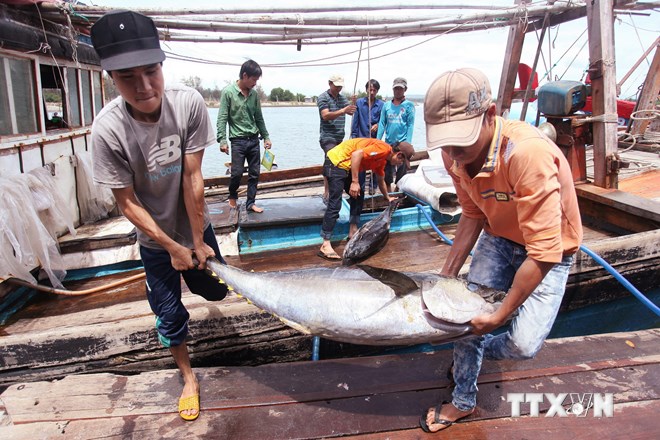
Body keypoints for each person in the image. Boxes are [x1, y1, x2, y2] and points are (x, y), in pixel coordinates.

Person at [420, 68, 583, 433]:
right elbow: (473, 213)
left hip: (550, 249)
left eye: (460, 141)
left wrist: (497, 317)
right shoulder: (454, 157)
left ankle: (478, 349)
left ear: (490, 115)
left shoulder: (526, 154)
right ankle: (463, 400)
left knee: (523, 345)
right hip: (498, 237)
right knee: (463, 323)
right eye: (445, 143)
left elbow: (542, 253)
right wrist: (446, 277)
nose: (452, 154)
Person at [90, 10, 229, 422]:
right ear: (110, 78)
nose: (144, 86)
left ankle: (191, 272)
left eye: (151, 72)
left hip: (195, 228)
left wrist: (197, 240)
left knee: (216, 292)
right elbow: (127, 202)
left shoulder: (188, 104)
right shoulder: (107, 131)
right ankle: (187, 376)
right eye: (128, 77)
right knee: (171, 316)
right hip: (154, 242)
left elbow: (192, 176)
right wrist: (169, 246)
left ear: (162, 65)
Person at [318, 138, 414, 260]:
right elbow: (356, 154)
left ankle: (352, 231)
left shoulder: (382, 160)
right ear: (399, 154)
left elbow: (380, 180)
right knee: (335, 204)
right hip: (335, 162)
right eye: (401, 161)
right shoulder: (383, 149)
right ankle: (325, 244)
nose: (400, 164)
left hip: (344, 167)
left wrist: (387, 197)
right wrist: (354, 181)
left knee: (358, 195)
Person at [217, 60, 272, 213]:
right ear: (245, 75)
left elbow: (259, 118)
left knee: (255, 173)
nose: (255, 83)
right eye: (254, 80)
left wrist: (266, 136)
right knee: (236, 172)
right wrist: (222, 140)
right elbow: (222, 117)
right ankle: (232, 197)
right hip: (238, 140)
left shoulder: (254, 95)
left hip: (254, 139)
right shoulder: (228, 92)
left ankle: (250, 203)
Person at [317, 74, 356, 202]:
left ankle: (334, 191)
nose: (338, 89)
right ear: (330, 83)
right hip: (327, 137)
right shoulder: (323, 97)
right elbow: (326, 115)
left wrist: (353, 104)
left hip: (339, 138)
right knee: (332, 162)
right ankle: (328, 192)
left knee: (333, 162)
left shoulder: (342, 98)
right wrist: (343, 110)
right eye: (336, 86)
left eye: (340, 86)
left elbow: (351, 110)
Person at [376, 77, 415, 193]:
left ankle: (398, 190)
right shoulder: (386, 105)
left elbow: (410, 125)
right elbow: (382, 123)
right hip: (389, 143)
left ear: (405, 89)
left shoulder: (409, 106)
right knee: (387, 170)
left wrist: (407, 143)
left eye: (400, 89)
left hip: (402, 143)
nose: (397, 91)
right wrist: (378, 140)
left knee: (402, 170)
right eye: (396, 88)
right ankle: (389, 192)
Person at [351, 79, 384, 193]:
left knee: (375, 162)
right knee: (360, 163)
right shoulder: (359, 103)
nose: (372, 92)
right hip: (361, 139)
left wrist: (378, 125)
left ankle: (373, 186)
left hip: (374, 140)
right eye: (370, 89)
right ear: (366, 90)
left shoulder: (381, 105)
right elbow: (355, 121)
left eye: (374, 90)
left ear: (377, 91)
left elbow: (383, 121)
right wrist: (353, 137)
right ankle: (359, 185)